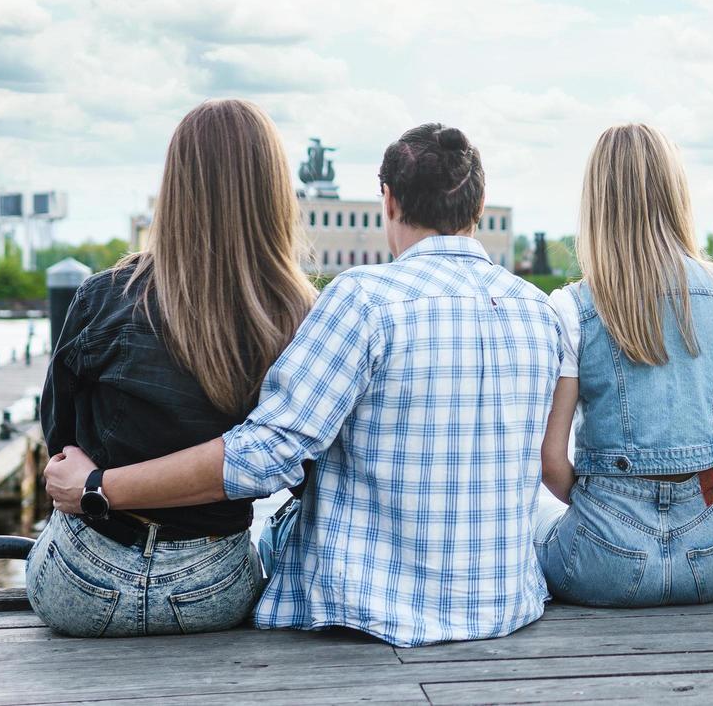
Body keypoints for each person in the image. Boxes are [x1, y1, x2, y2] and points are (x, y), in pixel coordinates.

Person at [45, 123, 562, 647]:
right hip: (502, 605)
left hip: (373, 608)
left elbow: (268, 455)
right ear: (479, 205)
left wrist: (99, 489)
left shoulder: (366, 300)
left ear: (387, 199)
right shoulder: (539, 312)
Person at [29, 99, 316, 637]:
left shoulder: (104, 296)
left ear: (176, 185)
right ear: (274, 191)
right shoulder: (301, 317)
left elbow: (59, 441)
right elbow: (304, 464)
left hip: (79, 582)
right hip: (214, 588)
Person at [536, 124, 713, 606]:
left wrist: (608, 505)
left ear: (597, 201)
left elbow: (551, 461)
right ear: (675, 192)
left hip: (604, 562)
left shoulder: (572, 306)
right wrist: (709, 485)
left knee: (535, 526)